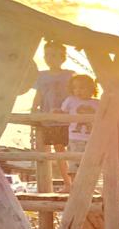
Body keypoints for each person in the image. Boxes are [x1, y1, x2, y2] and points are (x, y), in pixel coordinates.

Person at [33, 41, 74, 190]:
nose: (50, 58)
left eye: (54, 55)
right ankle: (55, 184)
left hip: (65, 120)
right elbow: (38, 95)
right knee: (47, 151)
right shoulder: (41, 76)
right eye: (47, 55)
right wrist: (33, 109)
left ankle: (71, 182)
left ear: (62, 57)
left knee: (65, 151)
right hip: (47, 119)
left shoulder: (69, 75)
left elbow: (74, 94)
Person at [60, 74, 99, 178]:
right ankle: (74, 185)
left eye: (82, 87)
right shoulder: (71, 100)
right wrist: (56, 111)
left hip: (93, 139)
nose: (78, 90)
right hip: (75, 138)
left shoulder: (97, 103)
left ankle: (88, 186)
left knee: (91, 164)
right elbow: (63, 112)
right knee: (74, 162)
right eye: (75, 88)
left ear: (91, 88)